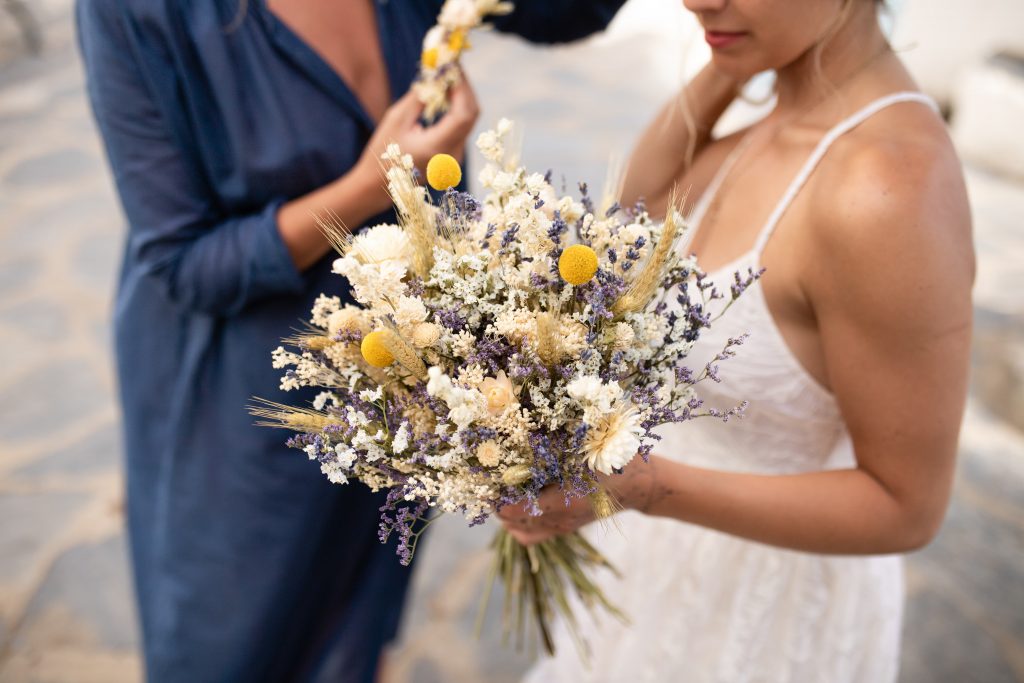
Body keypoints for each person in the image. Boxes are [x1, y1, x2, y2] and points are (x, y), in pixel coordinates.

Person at [75, 1, 627, 681]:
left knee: (354, 621)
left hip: (408, 377)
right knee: (231, 644)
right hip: (240, 397)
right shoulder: (131, 13)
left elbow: (569, 13)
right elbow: (187, 264)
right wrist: (374, 183)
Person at [499, 0, 974, 680]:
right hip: (650, 574)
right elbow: (629, 214)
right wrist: (728, 63)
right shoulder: (756, 127)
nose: (694, 0)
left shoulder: (887, 188)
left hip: (768, 612)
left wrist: (639, 486)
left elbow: (906, 507)